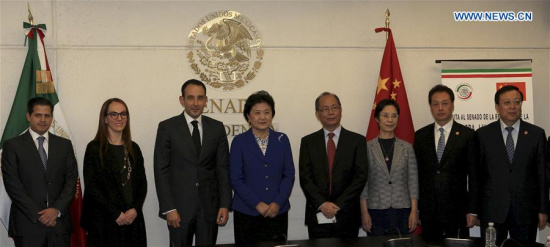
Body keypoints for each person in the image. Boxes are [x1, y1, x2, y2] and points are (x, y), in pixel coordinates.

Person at [154, 79, 231, 246]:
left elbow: (222, 168)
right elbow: (161, 170)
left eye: (200, 98)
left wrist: (225, 204)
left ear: (205, 101)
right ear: (182, 100)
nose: (195, 103)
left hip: (209, 209)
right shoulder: (167, 127)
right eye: (190, 98)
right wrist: (169, 208)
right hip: (178, 210)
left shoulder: (217, 128)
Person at [1, 97, 78, 247]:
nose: (43, 119)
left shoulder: (64, 145)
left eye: (47, 115)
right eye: (38, 115)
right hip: (28, 225)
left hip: (59, 225)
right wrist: (39, 214)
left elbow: (71, 180)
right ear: (28, 116)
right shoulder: (12, 146)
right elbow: (13, 185)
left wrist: (56, 210)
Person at [477, 85, 547, 245]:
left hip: (525, 211)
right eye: (507, 102)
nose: (513, 107)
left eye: (517, 102)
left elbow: (542, 175)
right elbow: (477, 176)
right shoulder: (483, 135)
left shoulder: (536, 134)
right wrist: (474, 210)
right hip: (492, 210)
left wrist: (543, 209)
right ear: (497, 107)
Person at [299, 92, 368, 239]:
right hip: (318, 215)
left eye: (334, 107)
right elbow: (305, 178)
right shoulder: (308, 142)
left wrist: (338, 205)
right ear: (318, 114)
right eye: (325, 109)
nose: (330, 112)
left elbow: (360, 177)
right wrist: (322, 204)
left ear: (341, 110)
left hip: (347, 215)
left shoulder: (357, 141)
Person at [229, 90, 295, 244]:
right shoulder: (239, 142)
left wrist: (277, 202)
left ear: (272, 114)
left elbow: (289, 174)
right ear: (248, 116)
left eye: (267, 112)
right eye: (257, 113)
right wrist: (257, 204)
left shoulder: (282, 140)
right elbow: (235, 178)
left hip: (277, 212)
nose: (263, 117)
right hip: (247, 212)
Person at [80, 98, 147, 246]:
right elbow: (92, 186)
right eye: (114, 114)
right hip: (104, 221)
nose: (119, 118)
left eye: (123, 114)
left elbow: (142, 183)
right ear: (105, 118)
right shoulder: (94, 149)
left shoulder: (134, 148)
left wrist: (135, 208)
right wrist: (115, 213)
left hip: (132, 219)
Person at [414, 85, 478, 239]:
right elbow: (417, 175)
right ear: (430, 107)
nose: (440, 108)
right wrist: (416, 208)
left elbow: (475, 176)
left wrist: (473, 209)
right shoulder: (421, 135)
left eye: (445, 103)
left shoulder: (467, 135)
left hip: (458, 210)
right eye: (435, 104)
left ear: (453, 105)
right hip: (428, 211)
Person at [359, 99, 418, 236]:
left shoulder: (407, 147)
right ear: (377, 119)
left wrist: (414, 211)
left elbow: (413, 181)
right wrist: (364, 212)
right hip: (375, 209)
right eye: (385, 116)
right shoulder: (367, 148)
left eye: (394, 115)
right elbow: (363, 184)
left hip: (403, 209)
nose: (390, 120)